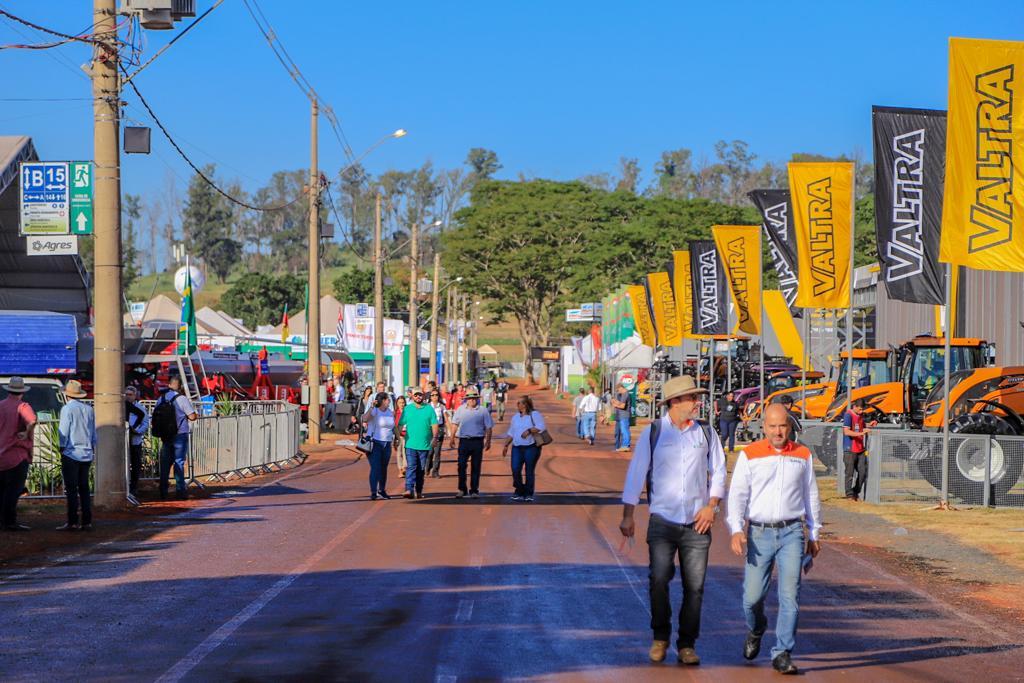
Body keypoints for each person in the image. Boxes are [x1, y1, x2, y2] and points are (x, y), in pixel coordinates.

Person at [619, 375, 726, 666]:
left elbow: (719, 469)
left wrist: (712, 506)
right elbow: (637, 473)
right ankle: (660, 636)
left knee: (695, 586)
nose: (697, 402)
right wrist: (628, 515)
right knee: (659, 579)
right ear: (675, 402)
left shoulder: (705, 432)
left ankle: (687, 644)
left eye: (696, 397)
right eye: (692, 398)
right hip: (662, 521)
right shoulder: (654, 432)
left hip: (697, 523)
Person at [727, 403, 822, 675]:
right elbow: (738, 495)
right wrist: (736, 529)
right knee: (751, 598)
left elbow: (810, 495)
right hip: (759, 533)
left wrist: (814, 533)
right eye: (772, 426)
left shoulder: (802, 455)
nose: (778, 431)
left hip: (792, 531)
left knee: (790, 595)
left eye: (782, 425)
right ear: (763, 427)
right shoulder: (750, 454)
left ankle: (782, 652)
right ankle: (756, 628)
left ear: (789, 426)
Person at [57, 380, 96, 530]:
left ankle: (72, 521)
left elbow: (64, 431)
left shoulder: (67, 409)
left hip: (71, 453)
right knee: (84, 488)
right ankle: (87, 521)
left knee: (72, 489)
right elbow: (93, 433)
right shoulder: (89, 409)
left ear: (67, 395)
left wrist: (61, 447)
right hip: (86, 453)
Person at [0, 377, 36, 531]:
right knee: (13, 491)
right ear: (22, 392)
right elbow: (32, 421)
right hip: (17, 455)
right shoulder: (23, 406)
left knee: (1, 490)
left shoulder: (1, 405)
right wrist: (26, 432)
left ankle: (2, 521)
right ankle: (10, 521)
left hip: (1, 454)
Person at [156, 376, 198, 500]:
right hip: (180, 434)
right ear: (180, 387)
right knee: (178, 462)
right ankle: (180, 491)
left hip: (165, 435)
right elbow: (192, 417)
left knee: (165, 464)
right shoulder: (182, 399)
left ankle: (163, 491)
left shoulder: (161, 398)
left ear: (169, 385)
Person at [451, 386, 494, 499]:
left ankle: (474, 490)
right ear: (466, 399)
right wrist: (452, 438)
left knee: (476, 466)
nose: (472, 400)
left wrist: (488, 442)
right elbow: (455, 424)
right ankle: (462, 489)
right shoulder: (460, 409)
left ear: (477, 398)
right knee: (461, 465)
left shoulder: (483, 410)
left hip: (477, 441)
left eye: (474, 398)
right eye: (469, 398)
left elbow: (489, 427)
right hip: (464, 441)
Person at [501, 395, 544, 502]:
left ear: (525, 404)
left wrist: (529, 431)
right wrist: (506, 445)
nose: (517, 405)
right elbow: (511, 432)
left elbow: (541, 426)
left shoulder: (534, 414)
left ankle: (528, 493)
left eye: (519, 403)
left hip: (531, 447)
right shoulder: (515, 417)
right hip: (516, 448)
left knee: (529, 470)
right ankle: (519, 490)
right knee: (515, 469)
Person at [397, 388, 438, 499]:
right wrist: (397, 437)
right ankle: (409, 489)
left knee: (421, 469)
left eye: (420, 395)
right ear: (412, 396)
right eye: (416, 395)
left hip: (424, 445)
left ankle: (418, 490)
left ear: (423, 396)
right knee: (411, 467)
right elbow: (400, 425)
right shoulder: (407, 409)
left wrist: (435, 437)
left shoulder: (429, 409)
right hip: (410, 444)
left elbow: (434, 424)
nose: (418, 397)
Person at [362, 392, 395, 500]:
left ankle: (382, 490)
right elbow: (365, 419)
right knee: (376, 468)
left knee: (383, 468)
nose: (389, 401)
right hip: (375, 442)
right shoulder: (375, 411)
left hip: (387, 443)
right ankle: (373, 491)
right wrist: (371, 407)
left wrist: (397, 438)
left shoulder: (389, 412)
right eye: (387, 399)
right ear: (382, 400)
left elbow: (392, 427)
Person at [842, 399, 875, 501]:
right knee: (849, 473)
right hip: (850, 449)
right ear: (855, 407)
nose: (861, 411)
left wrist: (870, 425)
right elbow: (846, 431)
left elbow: (861, 428)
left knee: (862, 472)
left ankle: (855, 492)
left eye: (862, 409)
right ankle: (849, 495)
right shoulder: (848, 415)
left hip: (860, 448)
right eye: (860, 409)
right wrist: (860, 434)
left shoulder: (860, 416)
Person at [124, 386, 150, 498]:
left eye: (130, 394)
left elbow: (145, 423)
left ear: (135, 396)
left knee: (135, 465)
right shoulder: (122, 407)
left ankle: (134, 487)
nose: (128, 396)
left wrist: (136, 431)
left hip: (135, 441)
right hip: (124, 442)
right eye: (126, 394)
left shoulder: (140, 408)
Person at [427, 388, 447, 478]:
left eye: (436, 395)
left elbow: (446, 418)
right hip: (429, 430)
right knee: (429, 452)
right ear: (430, 397)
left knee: (437, 452)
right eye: (433, 395)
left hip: (439, 430)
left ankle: (435, 472)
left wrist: (448, 430)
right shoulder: (427, 407)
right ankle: (427, 467)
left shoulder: (442, 406)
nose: (435, 397)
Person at [612, 382, 633, 452]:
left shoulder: (625, 394)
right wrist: (615, 401)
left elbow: (623, 406)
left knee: (625, 431)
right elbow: (621, 403)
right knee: (624, 431)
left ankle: (626, 445)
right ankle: (625, 445)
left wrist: (615, 405)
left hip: (624, 415)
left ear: (621, 388)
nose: (618, 392)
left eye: (618, 390)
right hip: (623, 415)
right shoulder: (625, 394)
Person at [393, 395, 407, 478]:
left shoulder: (408, 412)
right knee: (399, 453)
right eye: (400, 403)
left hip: (407, 435)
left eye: (403, 402)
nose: (401, 404)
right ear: (397, 404)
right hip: (398, 435)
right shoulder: (395, 413)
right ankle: (400, 469)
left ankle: (404, 467)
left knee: (405, 451)